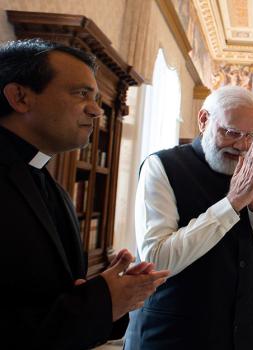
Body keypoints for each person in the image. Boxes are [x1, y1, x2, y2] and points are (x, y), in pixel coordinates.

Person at [0, 39, 170, 349]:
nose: (95, 109)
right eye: (81, 94)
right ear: (20, 97)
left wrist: (106, 292)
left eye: (96, 97)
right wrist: (102, 301)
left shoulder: (48, 182)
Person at [125, 85, 253, 349]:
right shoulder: (161, 167)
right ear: (204, 120)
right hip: (173, 335)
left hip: (240, 336)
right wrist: (232, 203)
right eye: (231, 132)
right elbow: (156, 260)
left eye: (249, 136)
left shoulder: (249, 173)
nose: (241, 145)